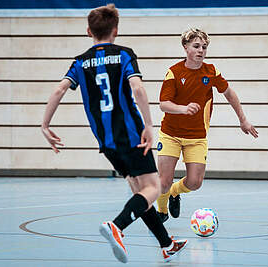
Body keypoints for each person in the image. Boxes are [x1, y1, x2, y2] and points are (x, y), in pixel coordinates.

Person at [41, 4, 187, 263]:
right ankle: (117, 226)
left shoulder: (80, 62)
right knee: (153, 187)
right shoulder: (124, 55)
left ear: (89, 31)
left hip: (106, 142)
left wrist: (45, 125)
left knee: (139, 191)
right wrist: (149, 125)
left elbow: (58, 91)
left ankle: (166, 243)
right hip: (130, 134)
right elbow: (138, 89)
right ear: (116, 31)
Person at [156, 28, 259, 222]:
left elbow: (229, 92)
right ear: (185, 47)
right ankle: (161, 211)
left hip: (196, 137)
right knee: (163, 182)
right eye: (196, 46)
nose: (201, 50)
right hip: (171, 134)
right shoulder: (174, 72)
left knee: (195, 183)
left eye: (204, 47)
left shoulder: (211, 71)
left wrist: (242, 119)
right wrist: (183, 108)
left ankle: (175, 193)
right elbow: (163, 104)